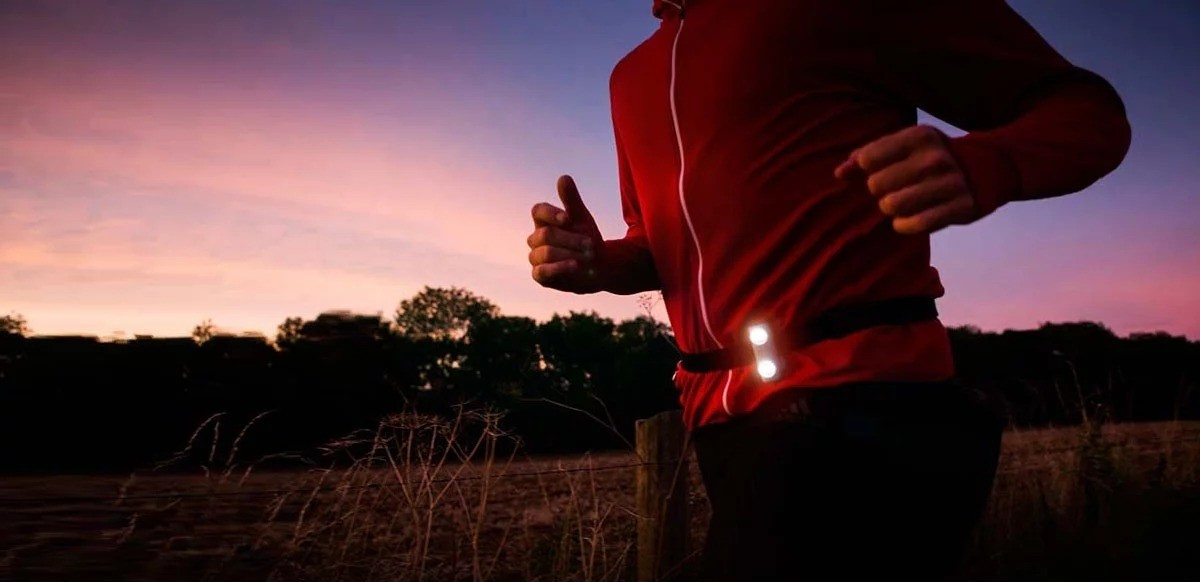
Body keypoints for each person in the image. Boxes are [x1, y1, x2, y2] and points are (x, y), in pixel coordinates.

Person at [525, 0, 1130, 579]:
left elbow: (1089, 114)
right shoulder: (628, 76)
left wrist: (987, 163)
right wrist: (598, 264)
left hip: (865, 398)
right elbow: (655, 246)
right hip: (717, 419)